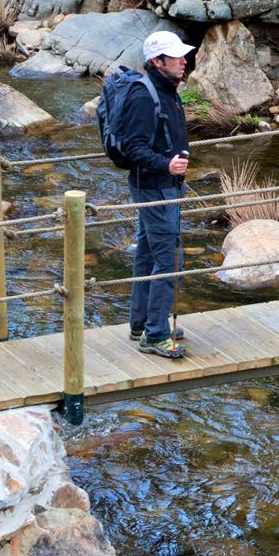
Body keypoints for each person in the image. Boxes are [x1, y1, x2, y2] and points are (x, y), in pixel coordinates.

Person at [99, 29, 193, 358]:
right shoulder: (144, 95)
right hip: (156, 188)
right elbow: (131, 146)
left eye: (183, 55)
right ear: (157, 61)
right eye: (176, 56)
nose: (184, 61)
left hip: (162, 186)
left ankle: (143, 323)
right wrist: (166, 164)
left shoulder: (166, 87)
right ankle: (155, 334)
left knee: (147, 255)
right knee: (168, 259)